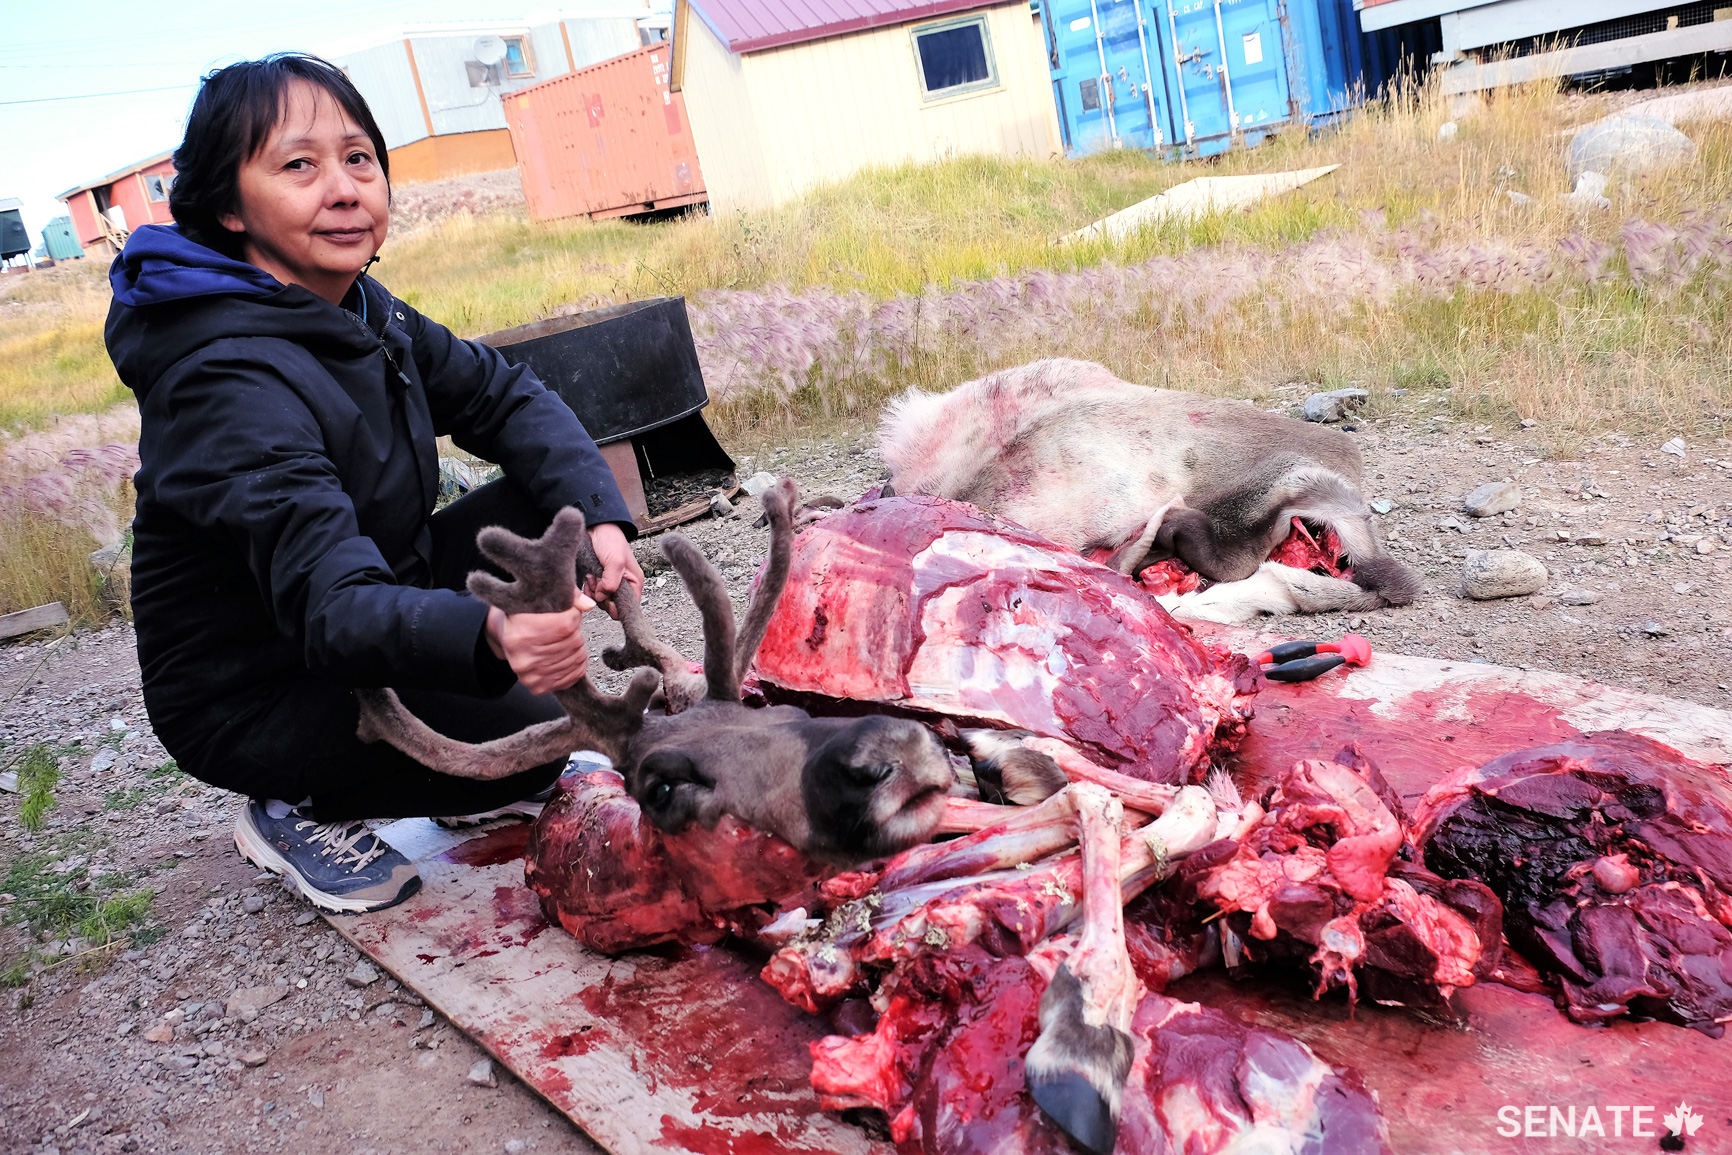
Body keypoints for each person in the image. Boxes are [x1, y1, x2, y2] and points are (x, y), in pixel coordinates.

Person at [104, 54, 644, 914]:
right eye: (299, 165)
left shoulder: (364, 308)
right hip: (260, 686)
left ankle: (447, 760)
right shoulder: (223, 377)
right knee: (538, 739)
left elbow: (503, 393)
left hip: (371, 600)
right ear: (228, 208)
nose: (346, 187)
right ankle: (292, 802)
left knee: (562, 528)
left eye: (359, 158)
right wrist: (493, 633)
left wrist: (604, 526)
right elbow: (330, 606)